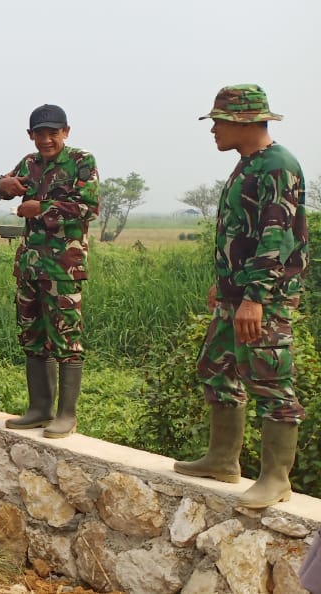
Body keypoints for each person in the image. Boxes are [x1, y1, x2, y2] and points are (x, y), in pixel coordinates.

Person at [173, 84, 308, 509]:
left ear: (244, 122)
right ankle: (222, 459)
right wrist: (227, 284)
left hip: (263, 296)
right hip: (238, 291)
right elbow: (242, 233)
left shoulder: (277, 165)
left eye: (218, 121)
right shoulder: (250, 164)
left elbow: (276, 234)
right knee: (217, 366)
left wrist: (254, 297)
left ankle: (275, 478)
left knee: (270, 380)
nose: (213, 129)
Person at [0, 104, 99, 439]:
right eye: (41, 133)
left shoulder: (82, 161)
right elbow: (5, 184)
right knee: (32, 337)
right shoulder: (30, 163)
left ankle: (66, 415)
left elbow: (88, 207)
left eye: (54, 133)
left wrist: (43, 208)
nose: (47, 139)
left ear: (66, 132)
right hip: (30, 266)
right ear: (31, 135)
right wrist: (2, 185)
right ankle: (39, 408)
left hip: (64, 267)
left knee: (67, 338)